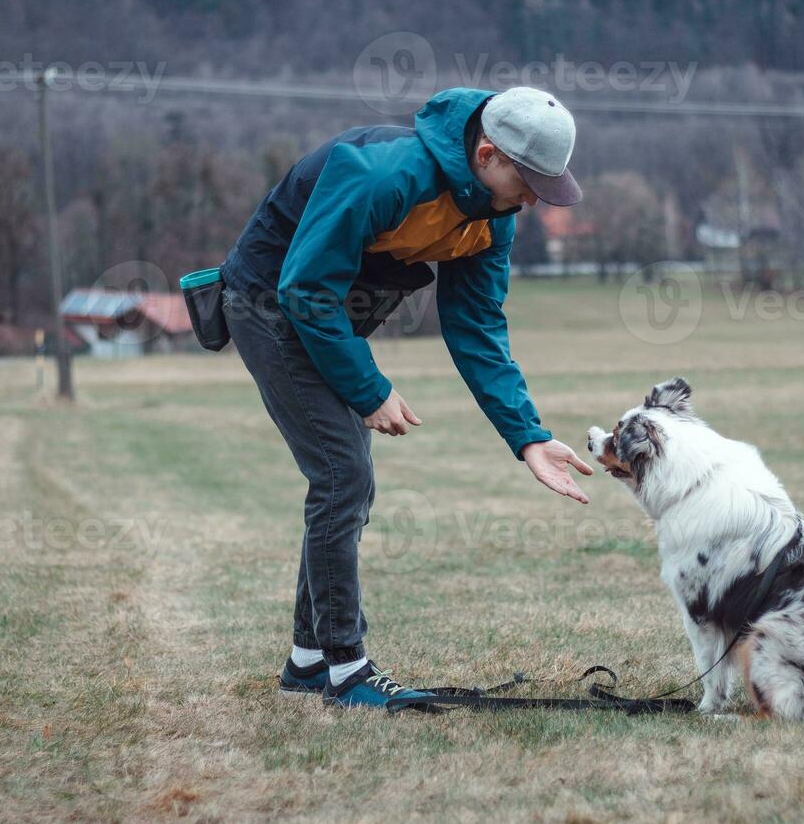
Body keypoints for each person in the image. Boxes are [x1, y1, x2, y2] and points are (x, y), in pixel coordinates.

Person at [220, 86, 593, 709]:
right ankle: (346, 670)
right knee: (342, 474)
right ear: (486, 154)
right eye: (527, 181)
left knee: (347, 478)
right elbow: (304, 288)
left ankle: (309, 660)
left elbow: (475, 325)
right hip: (270, 302)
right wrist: (370, 390)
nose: (532, 199)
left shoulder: (492, 215)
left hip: (324, 311)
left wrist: (526, 435)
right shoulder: (386, 175)